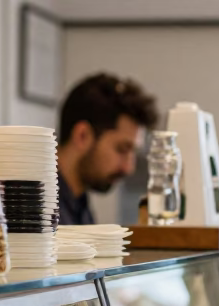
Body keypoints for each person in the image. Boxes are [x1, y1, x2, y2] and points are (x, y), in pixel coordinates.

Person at [56, 73, 159, 227]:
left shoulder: (78, 203)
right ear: (82, 136)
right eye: (122, 149)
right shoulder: (38, 211)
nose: (128, 168)